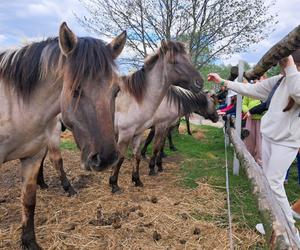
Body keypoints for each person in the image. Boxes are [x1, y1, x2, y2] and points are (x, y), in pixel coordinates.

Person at [208, 51, 300, 238]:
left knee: (274, 183)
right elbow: (252, 90)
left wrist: (290, 67)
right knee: (269, 181)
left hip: (286, 142)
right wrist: (222, 82)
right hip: (270, 137)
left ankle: (290, 231)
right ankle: (275, 222)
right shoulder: (281, 80)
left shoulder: (293, 80)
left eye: (286, 63)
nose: (281, 67)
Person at [242, 77, 267, 166]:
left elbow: (267, 105)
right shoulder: (250, 90)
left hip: (262, 120)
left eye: (260, 79)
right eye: (256, 79)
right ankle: (249, 160)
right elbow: (244, 103)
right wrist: (247, 111)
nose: (258, 81)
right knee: (249, 139)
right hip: (250, 119)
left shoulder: (266, 91)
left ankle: (260, 161)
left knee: (260, 141)